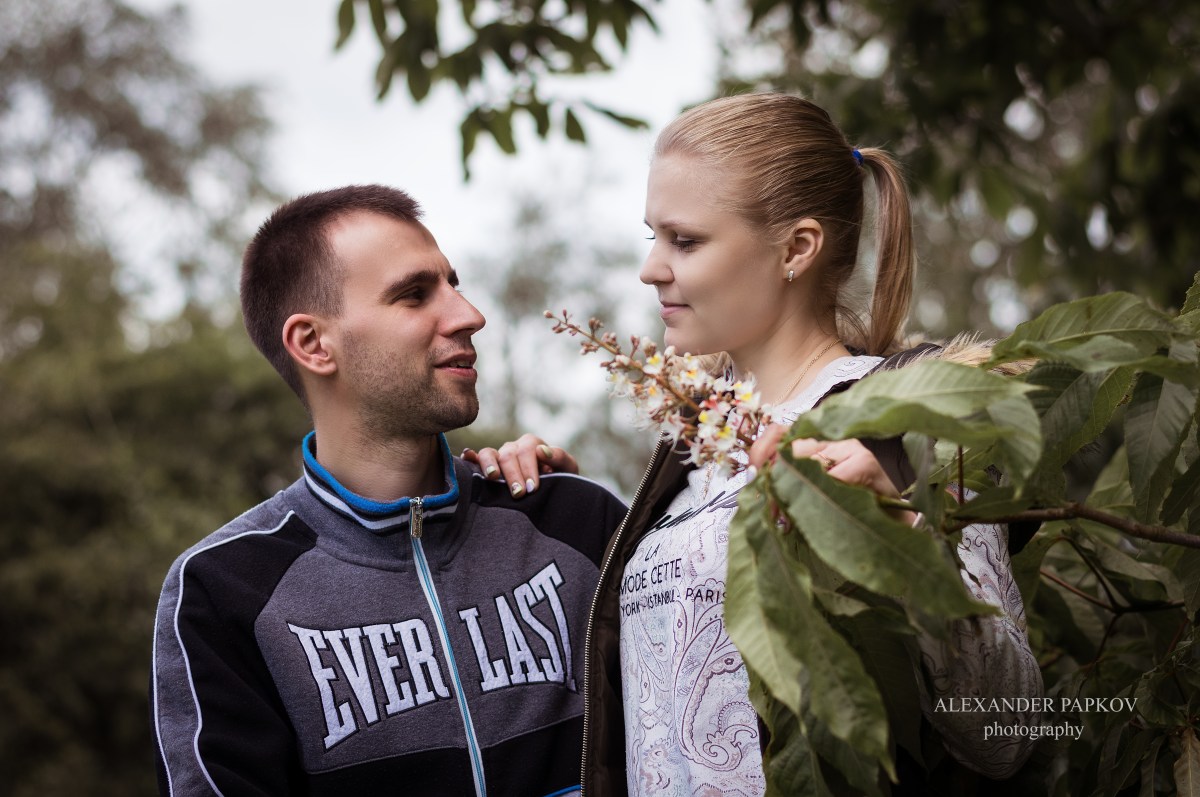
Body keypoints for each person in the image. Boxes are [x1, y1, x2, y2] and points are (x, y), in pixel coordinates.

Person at [470, 93, 1044, 796]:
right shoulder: (684, 454)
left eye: (685, 241)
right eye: (652, 236)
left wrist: (902, 533)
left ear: (797, 248)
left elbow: (1007, 734)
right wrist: (537, 503)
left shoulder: (917, 423)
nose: (651, 268)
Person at [150, 184, 627, 797]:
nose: (469, 315)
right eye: (414, 295)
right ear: (313, 344)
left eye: (454, 284)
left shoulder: (576, 521)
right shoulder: (223, 589)